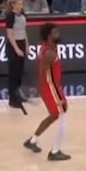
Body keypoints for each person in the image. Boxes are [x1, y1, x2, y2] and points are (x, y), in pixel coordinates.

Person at [22, 23, 70, 161]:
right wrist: (36, 89)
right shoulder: (48, 53)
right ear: (49, 36)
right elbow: (42, 72)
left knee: (54, 116)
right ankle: (55, 151)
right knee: (62, 115)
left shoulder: (50, 47)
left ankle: (32, 140)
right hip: (51, 87)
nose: (58, 34)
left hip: (52, 86)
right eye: (55, 32)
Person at [4, 0, 29, 109]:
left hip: (22, 42)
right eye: (19, 4)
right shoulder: (10, 16)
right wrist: (16, 49)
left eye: (21, 4)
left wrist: (26, 45)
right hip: (14, 45)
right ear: (13, 5)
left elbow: (24, 30)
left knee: (19, 72)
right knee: (13, 73)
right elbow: (10, 34)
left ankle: (18, 95)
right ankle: (12, 99)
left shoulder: (22, 15)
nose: (21, 6)